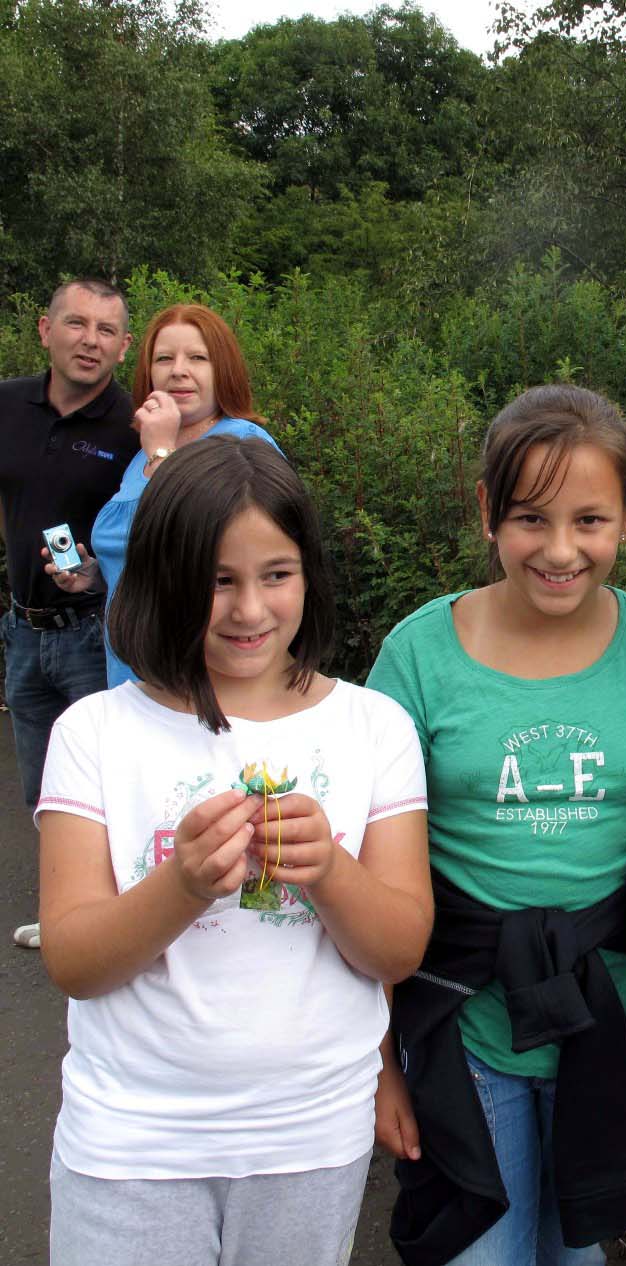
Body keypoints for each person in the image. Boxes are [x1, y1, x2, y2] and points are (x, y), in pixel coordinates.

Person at [35, 436, 432, 1266]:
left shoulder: (373, 727)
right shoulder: (95, 732)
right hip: (131, 1140)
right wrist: (182, 885)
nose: (250, 610)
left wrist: (330, 872)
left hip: (310, 1135)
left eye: (276, 574)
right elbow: (74, 961)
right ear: (162, 577)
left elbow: (397, 949)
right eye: (217, 580)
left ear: (309, 574)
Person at [367, 384, 626, 1266]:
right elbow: (374, 873)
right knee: (481, 1248)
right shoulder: (418, 655)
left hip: (611, 1029)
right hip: (464, 1024)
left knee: (572, 1249)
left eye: (589, 520)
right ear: (486, 511)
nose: (559, 550)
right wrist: (381, 1065)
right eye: (529, 519)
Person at [0, 278, 135, 949]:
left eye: (106, 330)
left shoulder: (134, 424)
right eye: (76, 324)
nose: (90, 341)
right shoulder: (6, 404)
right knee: (44, 792)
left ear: (124, 346)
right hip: (23, 630)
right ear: (44, 329)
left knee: (106, 788)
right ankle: (65, 915)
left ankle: (119, 925)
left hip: (94, 634)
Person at [50, 303, 280, 687]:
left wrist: (161, 451)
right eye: (164, 358)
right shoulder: (140, 456)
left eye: (198, 358)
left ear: (223, 369)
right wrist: (95, 575)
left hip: (201, 680)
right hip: (129, 681)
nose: (178, 370)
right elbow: (146, 563)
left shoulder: (245, 444)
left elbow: (214, 548)